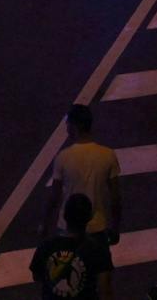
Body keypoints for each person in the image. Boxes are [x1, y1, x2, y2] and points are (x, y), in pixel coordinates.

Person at [42, 104, 122, 248]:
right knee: (99, 268)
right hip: (97, 228)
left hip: (67, 229)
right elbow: (115, 197)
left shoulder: (63, 157)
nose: (66, 127)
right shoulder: (108, 155)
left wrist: (44, 223)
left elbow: (55, 196)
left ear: (74, 126)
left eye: (68, 123)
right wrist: (115, 228)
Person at [30, 193, 115, 300]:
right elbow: (105, 289)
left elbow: (37, 276)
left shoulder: (46, 246)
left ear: (65, 216)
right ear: (89, 217)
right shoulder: (97, 250)